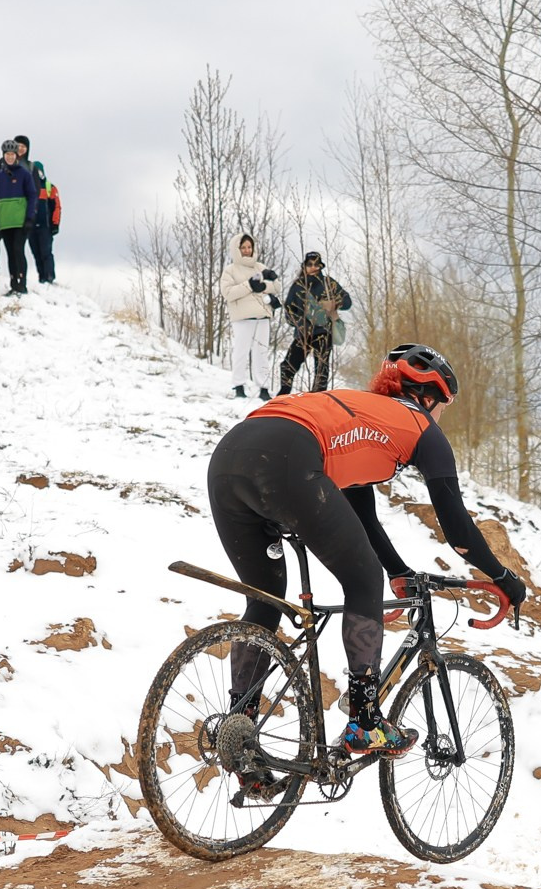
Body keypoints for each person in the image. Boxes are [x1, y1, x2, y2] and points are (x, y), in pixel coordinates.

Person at [208, 345, 525, 757]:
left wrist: (397, 569)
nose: (441, 415)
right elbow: (457, 527)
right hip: (288, 456)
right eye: (444, 405)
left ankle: (240, 733)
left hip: (229, 458)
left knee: (265, 603)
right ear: (428, 397)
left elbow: (365, 521)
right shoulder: (421, 428)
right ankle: (364, 721)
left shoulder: (362, 417)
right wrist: (503, 579)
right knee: (362, 581)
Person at [277, 251, 353, 393]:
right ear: (304, 266)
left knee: (321, 370)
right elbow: (288, 311)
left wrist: (334, 304)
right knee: (288, 366)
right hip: (303, 332)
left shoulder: (328, 283)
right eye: (310, 264)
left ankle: (318, 400)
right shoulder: (298, 285)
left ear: (320, 266)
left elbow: (347, 301)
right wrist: (301, 323)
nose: (313, 267)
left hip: (323, 331)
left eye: (316, 264)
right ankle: (282, 397)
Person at [219, 234, 281, 399]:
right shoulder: (230, 270)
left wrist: (264, 285)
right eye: (243, 247)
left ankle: (264, 388)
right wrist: (249, 285)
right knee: (241, 351)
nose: (247, 251)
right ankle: (238, 385)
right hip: (242, 318)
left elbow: (276, 287)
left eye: (249, 247)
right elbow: (228, 293)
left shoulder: (260, 267)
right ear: (237, 249)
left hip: (262, 316)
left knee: (261, 353)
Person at [0, 139, 40, 295]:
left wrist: (30, 217)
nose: (9, 157)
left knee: (18, 250)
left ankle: (21, 283)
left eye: (12, 154)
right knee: (10, 252)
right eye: (7, 154)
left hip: (20, 220)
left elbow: (32, 195)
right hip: (4, 220)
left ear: (16, 155)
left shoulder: (24, 174)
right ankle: (13, 283)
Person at [30, 165, 60, 284]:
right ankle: (41, 277)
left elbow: (56, 207)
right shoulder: (28, 187)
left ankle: (49, 277)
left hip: (45, 227)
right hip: (31, 227)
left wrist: (55, 224)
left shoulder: (49, 188)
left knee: (46, 253)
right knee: (36, 253)